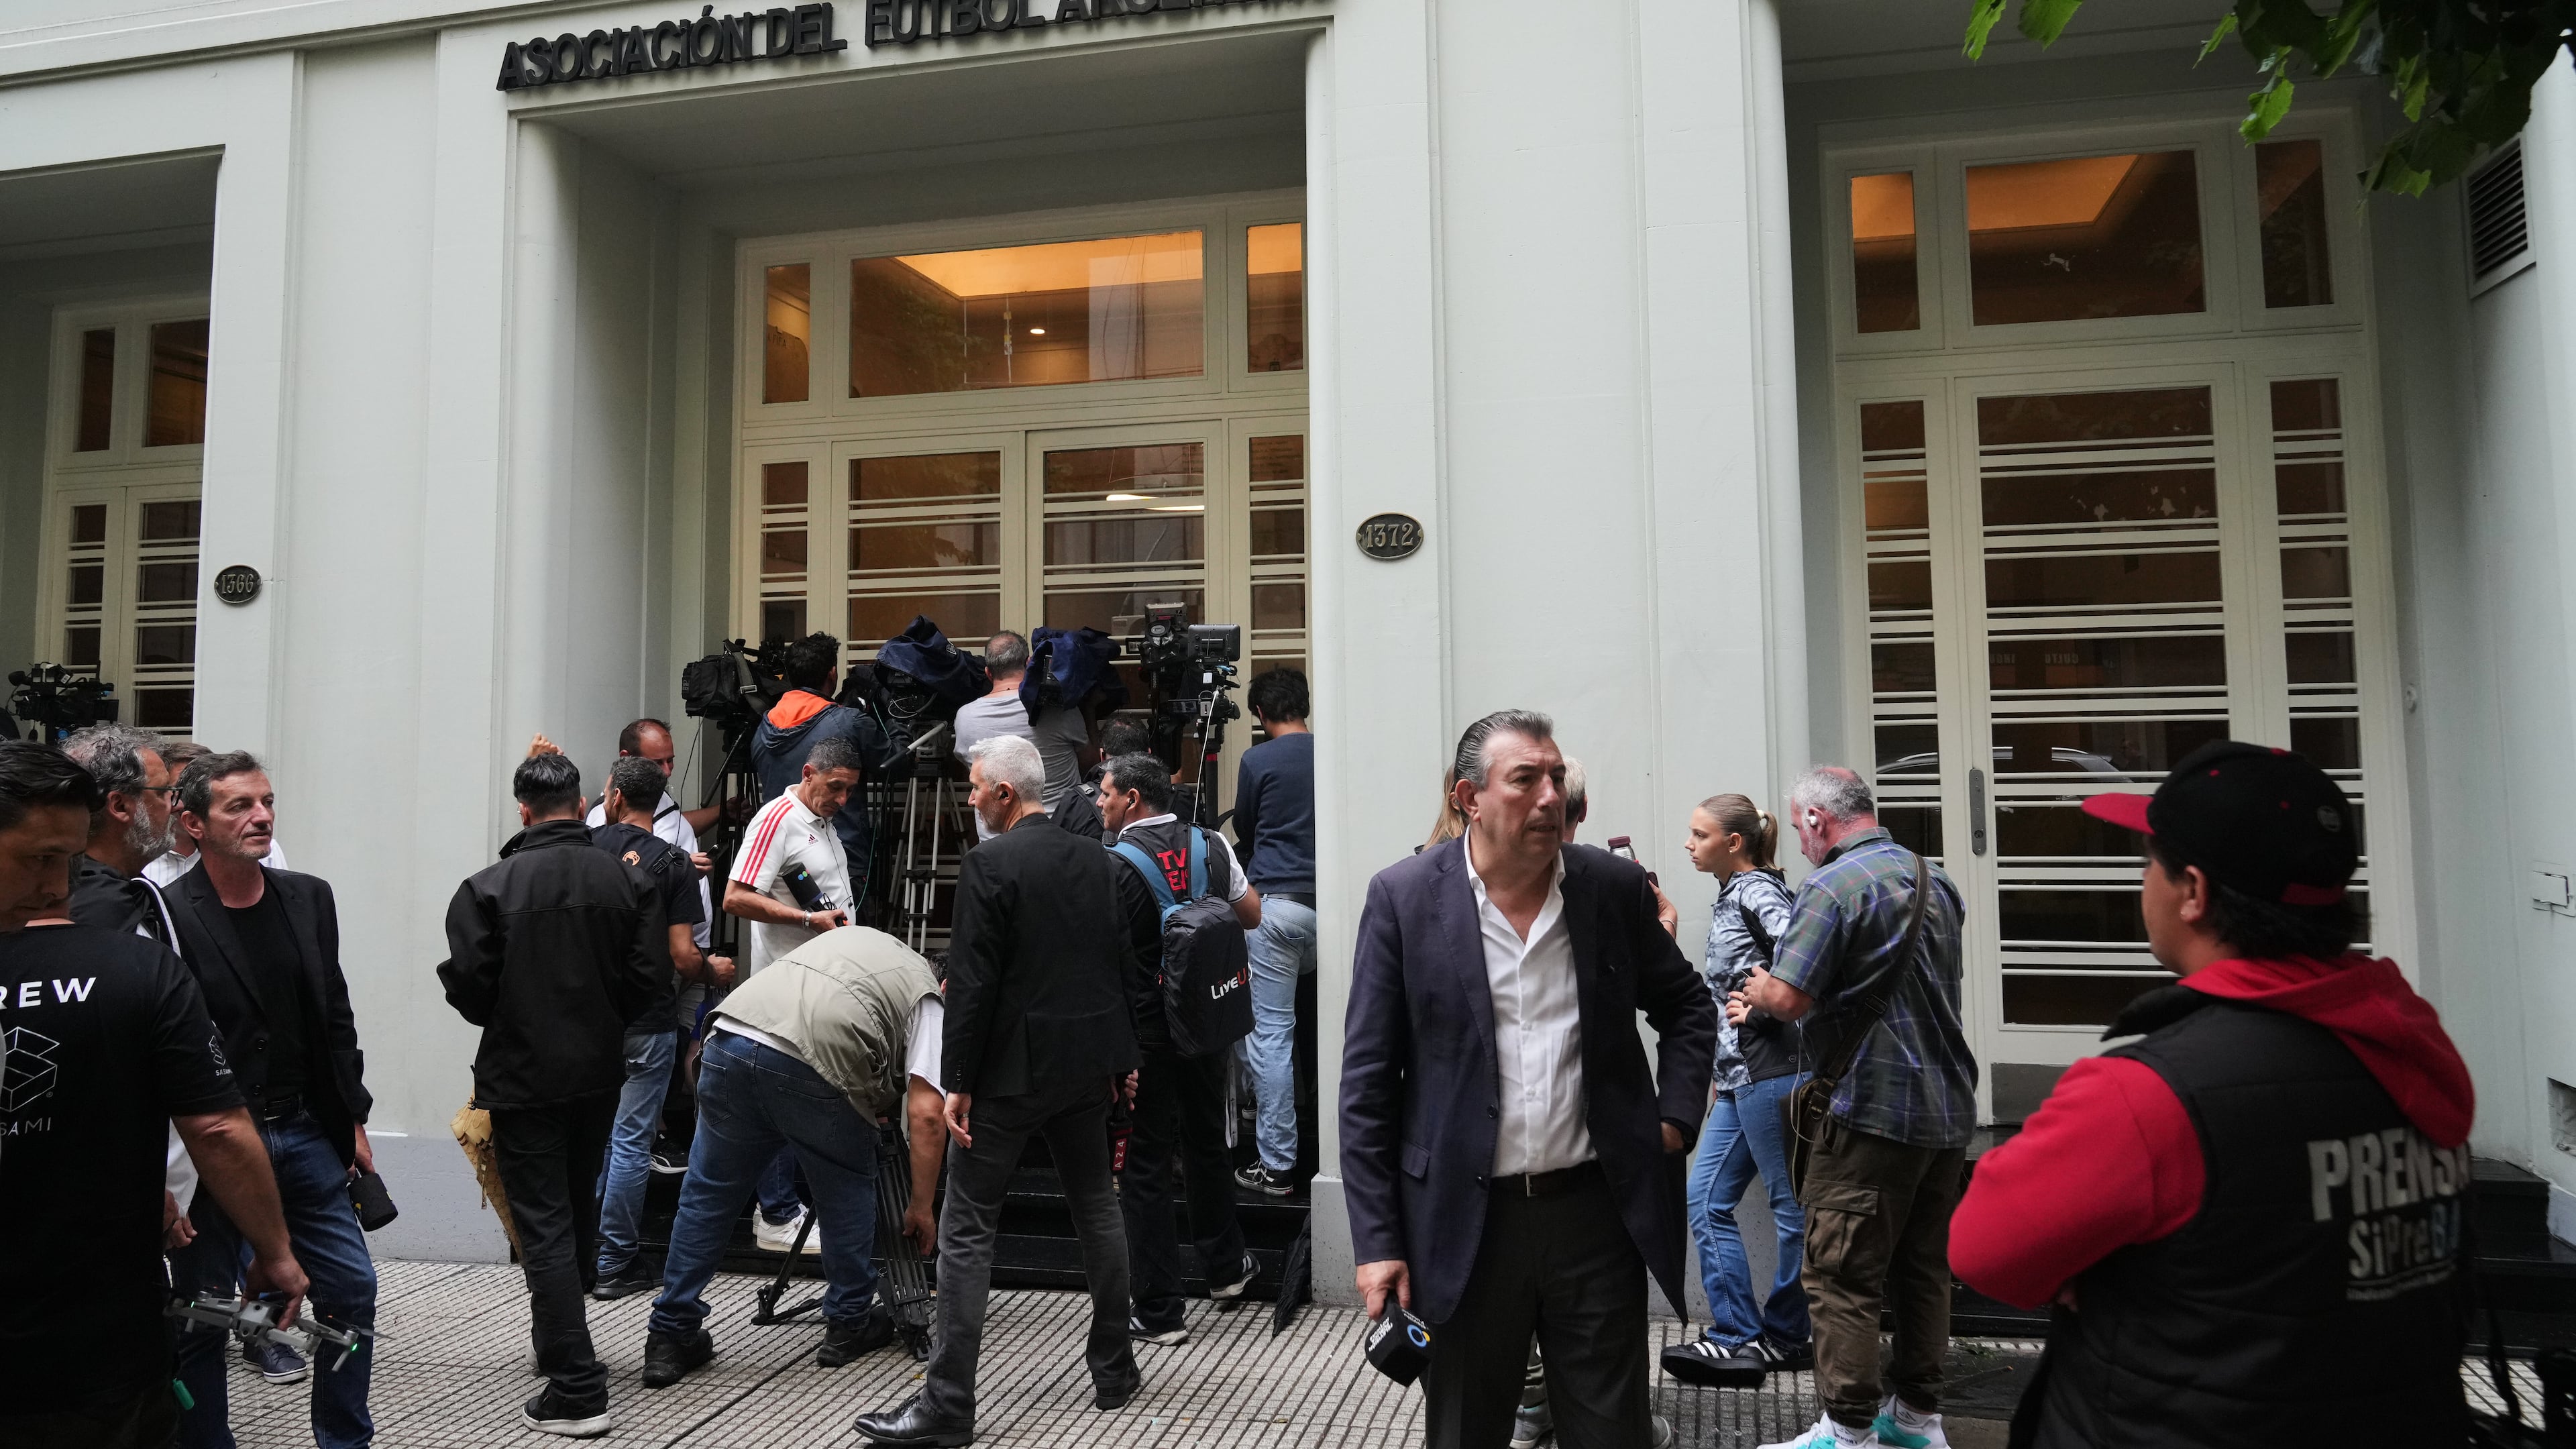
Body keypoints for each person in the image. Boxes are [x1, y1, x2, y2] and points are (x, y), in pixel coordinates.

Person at [1951, 741, 2474, 1447]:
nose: (2143, 885)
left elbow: (1983, 1251)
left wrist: (2104, 1273)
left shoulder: (2147, 1093)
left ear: (2192, 892)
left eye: (2149, 864)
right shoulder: (2413, 1049)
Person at [1341, 710, 1716, 1449]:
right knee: (1467, 1431)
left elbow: (1686, 1006)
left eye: (1554, 778)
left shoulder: (1610, 891)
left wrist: (1673, 1121)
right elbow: (1366, 1087)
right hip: (1464, 1223)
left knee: (1614, 1432)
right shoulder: (1406, 898)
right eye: (1525, 780)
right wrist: (1377, 1240)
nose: (1550, 796)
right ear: (1468, 798)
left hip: (1594, 1215)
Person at [0, 741, 309, 1449]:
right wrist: (273, 1250)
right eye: (37, 859)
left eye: (68, 861)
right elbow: (218, 1128)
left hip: (96, 1337)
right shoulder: (135, 963)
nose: (56, 885)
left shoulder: (139, 954)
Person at [853, 734, 1146, 1448]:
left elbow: (975, 984)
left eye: (979, 787)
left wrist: (958, 1082)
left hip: (1011, 1074)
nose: (973, 797)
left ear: (1007, 794)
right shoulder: (1102, 862)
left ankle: (948, 1403)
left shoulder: (990, 864)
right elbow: (1124, 967)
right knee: (1097, 1212)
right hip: (1085, 1066)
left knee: (967, 1227)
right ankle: (1114, 1366)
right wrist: (1122, 1059)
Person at [1739, 767, 1973, 1449]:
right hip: (1947, 1107)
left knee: (1842, 1274)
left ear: (1816, 820)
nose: (1799, 841)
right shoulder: (1936, 880)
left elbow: (1789, 998)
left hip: (1870, 1107)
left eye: (1798, 825)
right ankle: (1917, 1421)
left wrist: (1758, 987)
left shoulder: (1832, 886)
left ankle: (1847, 1433)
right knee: (1923, 1271)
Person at [438, 752, 669, 1438]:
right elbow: (649, 980)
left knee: (541, 1223)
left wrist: (515, 1013)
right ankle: (557, 1343)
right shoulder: (628, 882)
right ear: (582, 802)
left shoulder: (487, 887)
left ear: (524, 810)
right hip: (598, 1070)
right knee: (573, 1206)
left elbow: (469, 988)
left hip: (522, 1074)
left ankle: (576, 1384)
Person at [156, 751, 380, 1449]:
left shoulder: (308, 897)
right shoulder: (164, 912)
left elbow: (333, 1015)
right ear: (192, 822)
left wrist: (354, 1120)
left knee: (351, 1293)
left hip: (307, 1131)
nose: (261, 816)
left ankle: (344, 1439)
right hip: (213, 1145)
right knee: (204, 1314)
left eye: (267, 802)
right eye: (239, 806)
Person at [641, 924, 941, 1387]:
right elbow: (926, 1115)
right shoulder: (928, 996)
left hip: (730, 1037)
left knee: (707, 1198)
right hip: (810, 1062)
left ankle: (669, 1335)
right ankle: (848, 1322)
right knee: (845, 1187)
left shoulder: (860, 943)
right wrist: (921, 1206)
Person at [1096, 753, 1261, 1344]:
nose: (1100, 803)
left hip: (1146, 1030)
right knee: (1206, 1142)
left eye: (1107, 794)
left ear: (1133, 800)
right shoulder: (1211, 843)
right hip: (1207, 1018)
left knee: (1145, 1164)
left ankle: (1161, 1311)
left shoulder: (1111, 865)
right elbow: (1251, 914)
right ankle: (1226, 1270)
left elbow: (1100, 957)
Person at [1662, 795, 1809, 1387]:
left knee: (1790, 1208)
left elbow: (1803, 960)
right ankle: (1740, 1334)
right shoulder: (1731, 894)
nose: (1689, 844)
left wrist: (1768, 1013)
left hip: (1771, 1073)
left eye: (1699, 835)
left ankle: (1787, 1333)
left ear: (1733, 843)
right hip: (1737, 1078)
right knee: (1704, 1198)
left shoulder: (1757, 893)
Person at [590, 756, 731, 1301]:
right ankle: (616, 1261)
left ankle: (588, 1253)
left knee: (594, 1137)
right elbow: (681, 954)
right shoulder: (674, 863)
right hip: (647, 1019)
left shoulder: (585, 850)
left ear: (617, 799)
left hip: (592, 1018)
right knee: (630, 1139)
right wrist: (711, 969)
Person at [726, 733, 867, 1252]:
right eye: (835, 788)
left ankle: (789, 1208)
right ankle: (776, 1212)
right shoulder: (775, 819)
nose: (842, 800)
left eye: (850, 791)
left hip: (821, 986)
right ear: (808, 774)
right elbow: (736, 897)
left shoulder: (823, 823)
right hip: (784, 991)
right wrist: (807, 917)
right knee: (780, 1103)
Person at [1230, 667, 1316, 1198]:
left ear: (1260, 715)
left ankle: (1278, 1166)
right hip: (1338, 908)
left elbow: (1245, 826)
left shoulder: (1258, 760)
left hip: (1277, 911)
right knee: (1339, 1037)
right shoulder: (1334, 753)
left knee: (1271, 1038)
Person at [749, 631, 904, 892]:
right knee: (841, 933)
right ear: (832, 673)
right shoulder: (849, 722)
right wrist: (893, 713)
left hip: (783, 863)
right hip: (841, 861)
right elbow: (896, 763)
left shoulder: (763, 728)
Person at [951, 631, 1096, 837]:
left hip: (997, 845)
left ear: (988, 673)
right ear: (1029, 663)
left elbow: (974, 772)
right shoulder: (1059, 709)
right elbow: (1090, 764)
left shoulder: (965, 717)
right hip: (1062, 837)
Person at [145, 740, 288, 887]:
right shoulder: (142, 859)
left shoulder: (265, 849)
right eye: (182, 791)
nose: (191, 802)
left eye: (268, 802)